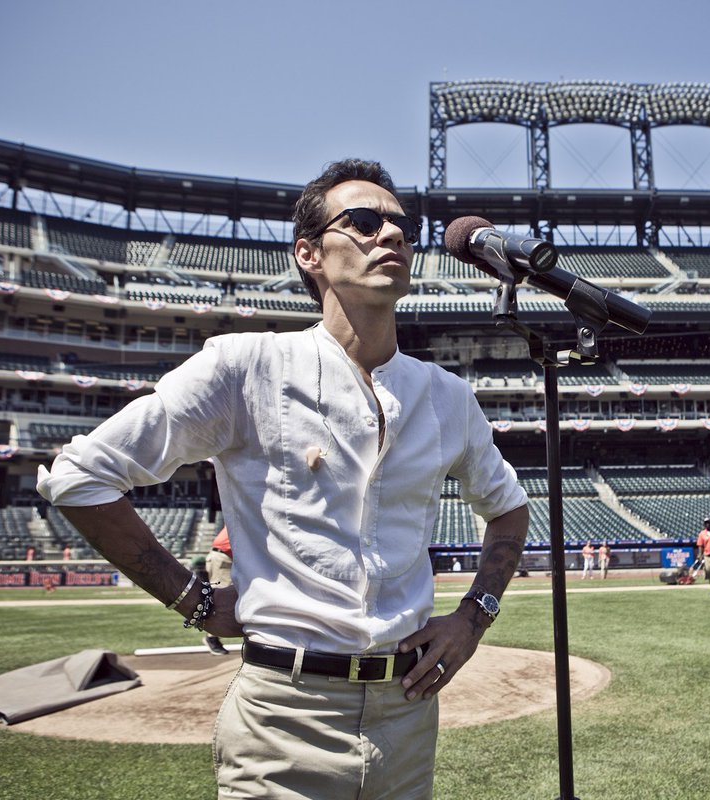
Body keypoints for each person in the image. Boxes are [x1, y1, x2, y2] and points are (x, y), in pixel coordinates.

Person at [37, 158, 530, 799]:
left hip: (408, 712)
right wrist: (193, 599)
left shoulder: (447, 396)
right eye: (362, 221)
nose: (392, 235)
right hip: (283, 714)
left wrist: (474, 615)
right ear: (309, 254)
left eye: (401, 225)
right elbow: (81, 477)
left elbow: (510, 508)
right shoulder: (248, 367)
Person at [203, 526, 233, 655]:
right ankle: (212, 638)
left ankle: (213, 637)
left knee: (224, 598)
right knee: (222, 599)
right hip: (223, 557)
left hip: (222, 556)